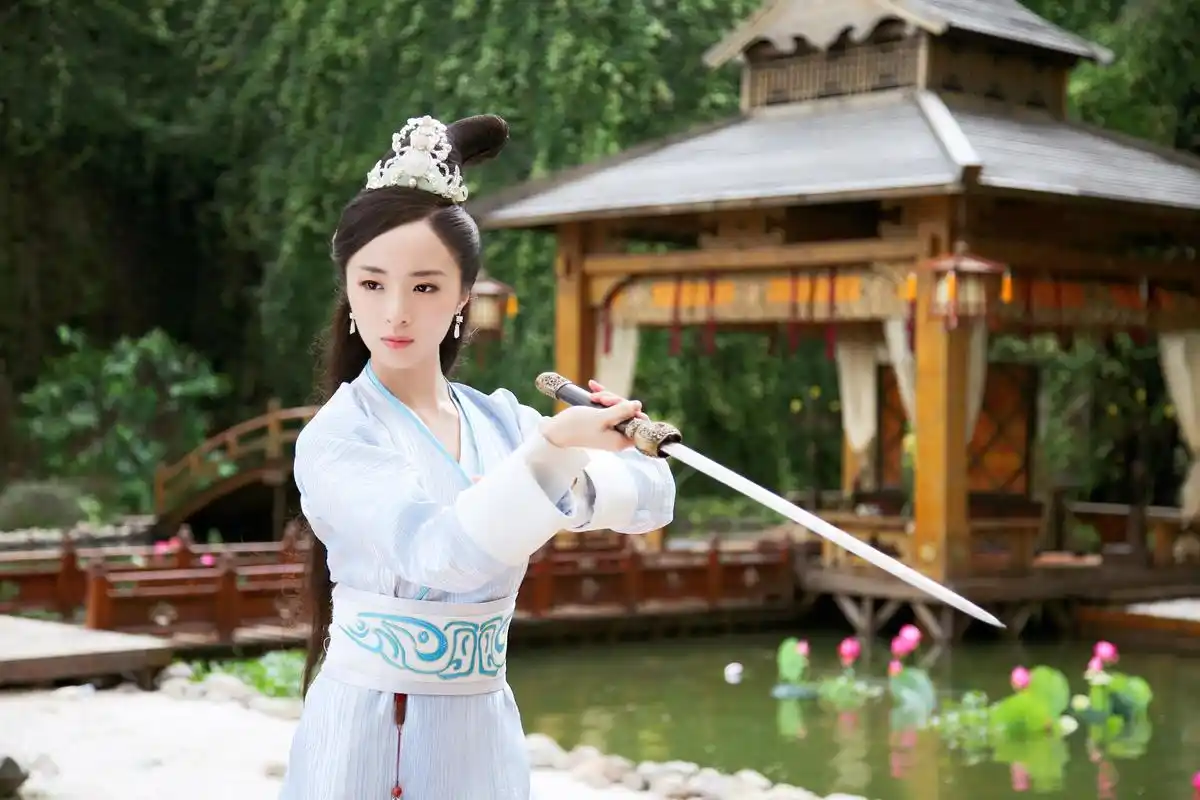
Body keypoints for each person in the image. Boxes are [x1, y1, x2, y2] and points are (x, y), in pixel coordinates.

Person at [279, 113, 676, 800]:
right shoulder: (339, 436)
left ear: (464, 296)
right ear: (347, 289)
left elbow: (651, 501)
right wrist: (557, 451)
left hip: (481, 731)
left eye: (424, 286)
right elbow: (443, 553)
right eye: (372, 284)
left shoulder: (500, 420)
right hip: (369, 737)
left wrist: (612, 443)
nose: (396, 312)